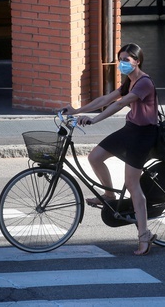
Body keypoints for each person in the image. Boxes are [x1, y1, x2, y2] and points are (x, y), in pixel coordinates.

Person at [60, 43, 158, 256]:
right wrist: (76, 110)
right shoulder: (129, 82)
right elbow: (106, 99)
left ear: (137, 61)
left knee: (132, 185)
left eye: (127, 60)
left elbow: (119, 105)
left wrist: (94, 120)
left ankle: (144, 235)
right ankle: (109, 195)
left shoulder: (143, 83)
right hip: (131, 129)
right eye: (120, 59)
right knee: (95, 156)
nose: (122, 63)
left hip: (144, 135)